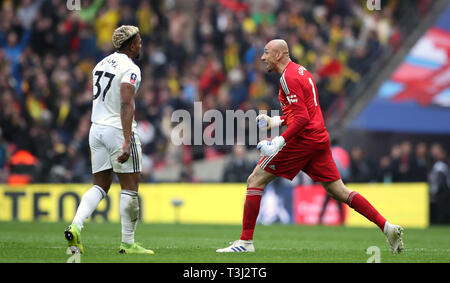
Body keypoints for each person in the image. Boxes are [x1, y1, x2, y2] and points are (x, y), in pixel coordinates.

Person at [216, 39, 404, 254]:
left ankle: (245, 242)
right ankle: (387, 227)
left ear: (279, 55)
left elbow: (302, 118)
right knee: (339, 190)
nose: (262, 57)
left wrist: (277, 141)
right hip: (319, 138)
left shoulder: (288, 78)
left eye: (266, 52)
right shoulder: (300, 72)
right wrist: (274, 122)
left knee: (255, 179)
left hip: (304, 140)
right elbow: (302, 112)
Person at [64, 25, 154, 255]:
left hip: (96, 129)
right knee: (131, 184)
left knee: (100, 184)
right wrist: (126, 139)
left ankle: (75, 226)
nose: (141, 44)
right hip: (117, 129)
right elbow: (126, 102)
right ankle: (128, 243)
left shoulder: (100, 64)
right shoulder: (130, 68)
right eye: (139, 41)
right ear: (131, 44)